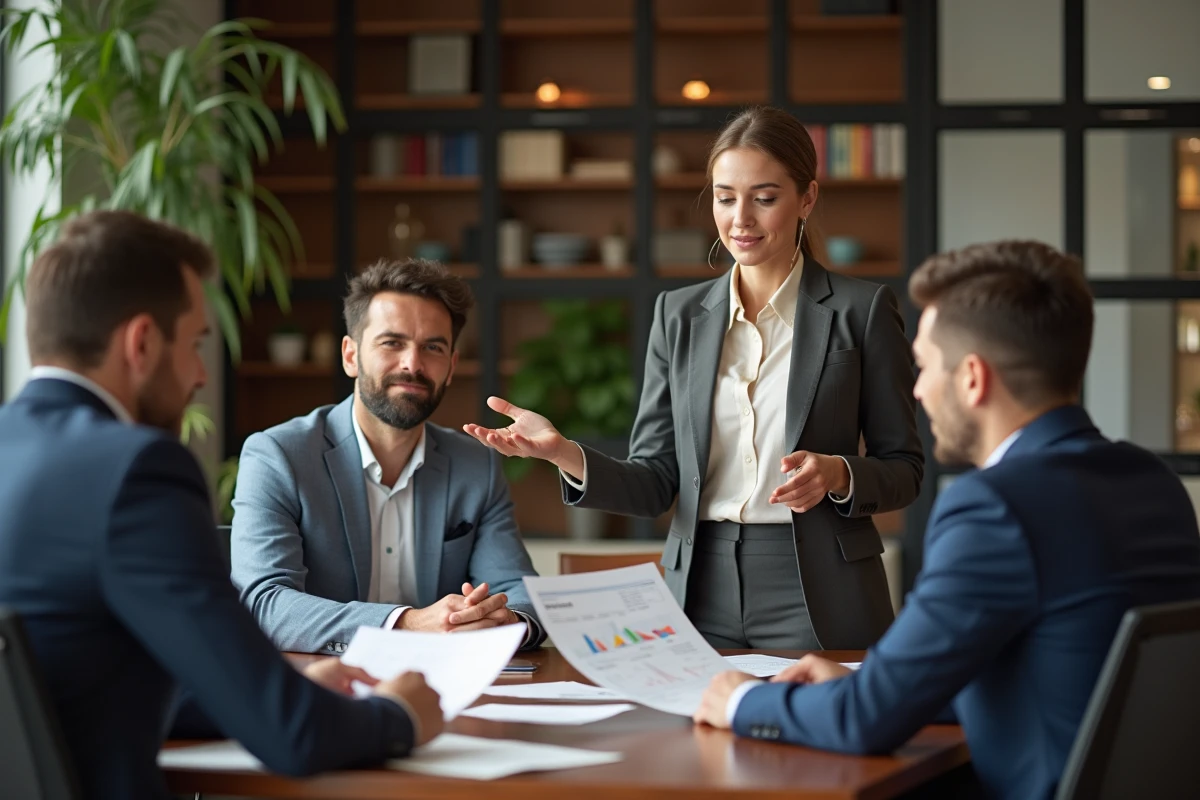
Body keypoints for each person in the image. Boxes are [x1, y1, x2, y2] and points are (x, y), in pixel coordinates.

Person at [694, 240, 1200, 800]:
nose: (917, 389)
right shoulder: (1154, 484)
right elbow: (1066, 674)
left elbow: (865, 721)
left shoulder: (996, 509)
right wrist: (872, 685)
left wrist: (741, 700)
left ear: (973, 379)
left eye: (926, 366)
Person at [0, 211, 444, 799]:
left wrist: (286, 686)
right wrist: (400, 715)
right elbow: (291, 734)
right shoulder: (138, 471)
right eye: (194, 345)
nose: (199, 376)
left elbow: (79, 682)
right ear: (141, 343)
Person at [465, 106, 923, 650]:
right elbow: (657, 480)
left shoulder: (861, 310)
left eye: (765, 198)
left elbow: (905, 468)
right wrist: (564, 453)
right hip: (699, 588)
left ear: (807, 198)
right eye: (725, 198)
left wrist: (839, 474)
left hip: (820, 587)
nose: (740, 219)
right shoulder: (677, 316)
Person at [232, 258, 544, 655]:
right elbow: (265, 603)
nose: (412, 364)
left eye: (433, 347)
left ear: (451, 367)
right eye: (392, 343)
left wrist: (503, 620)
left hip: (442, 681)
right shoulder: (278, 456)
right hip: (326, 681)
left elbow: (518, 590)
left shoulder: (475, 465)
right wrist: (405, 624)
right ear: (350, 355)